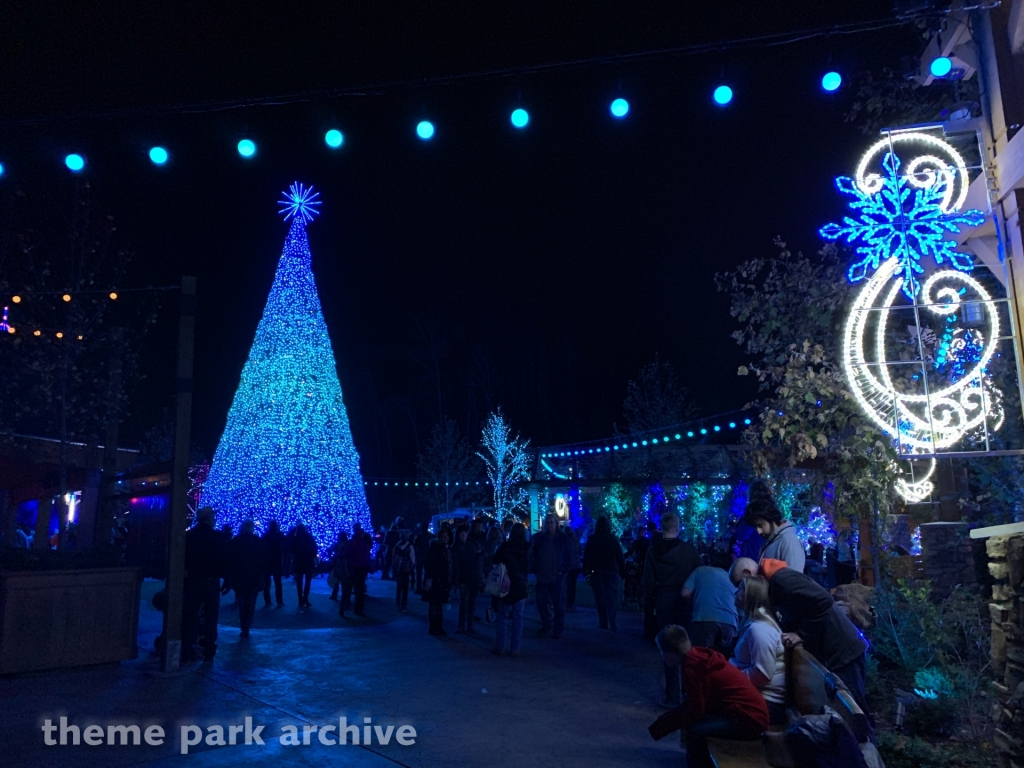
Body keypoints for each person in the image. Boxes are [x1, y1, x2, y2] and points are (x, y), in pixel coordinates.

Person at [730, 557, 871, 723]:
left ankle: (868, 746)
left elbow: (823, 600)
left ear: (748, 575)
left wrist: (801, 634)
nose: (738, 592)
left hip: (842, 650)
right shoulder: (775, 582)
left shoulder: (781, 580)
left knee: (855, 713)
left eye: (740, 585)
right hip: (835, 650)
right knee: (852, 709)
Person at [648, 625, 769, 768]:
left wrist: (664, 724)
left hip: (748, 721)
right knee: (694, 723)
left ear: (669, 654)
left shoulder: (692, 669)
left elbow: (696, 712)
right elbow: (694, 703)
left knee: (694, 730)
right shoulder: (699, 656)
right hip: (751, 714)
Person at [643, 511, 701, 707]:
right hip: (684, 600)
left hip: (664, 601)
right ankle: (690, 692)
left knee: (668, 647)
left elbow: (648, 581)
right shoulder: (689, 551)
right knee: (686, 646)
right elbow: (699, 573)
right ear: (677, 527)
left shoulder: (653, 551)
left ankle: (672, 694)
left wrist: (648, 604)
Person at [730, 575, 787, 725]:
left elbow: (762, 674)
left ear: (750, 595)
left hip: (766, 703)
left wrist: (730, 676)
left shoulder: (760, 629)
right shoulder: (752, 621)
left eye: (741, 589)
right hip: (758, 696)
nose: (736, 592)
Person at [182, 507, 229, 662]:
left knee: (190, 615)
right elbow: (223, 560)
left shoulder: (189, 536)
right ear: (208, 519)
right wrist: (226, 579)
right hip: (211, 581)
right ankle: (209, 648)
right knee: (211, 616)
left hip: (192, 581)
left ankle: (187, 647)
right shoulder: (217, 537)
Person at [681, 551, 739, 653]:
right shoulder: (733, 578)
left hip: (703, 619)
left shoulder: (700, 571)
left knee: (701, 657)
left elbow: (684, 593)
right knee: (722, 661)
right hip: (730, 622)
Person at [743, 480, 805, 574]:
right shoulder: (769, 540)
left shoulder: (789, 542)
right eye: (755, 527)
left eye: (760, 525)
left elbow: (795, 582)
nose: (759, 531)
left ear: (771, 519)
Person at [529, 512, 571, 639]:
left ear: (556, 524)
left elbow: (569, 556)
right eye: (547, 523)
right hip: (542, 575)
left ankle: (557, 628)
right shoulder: (539, 538)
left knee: (558, 604)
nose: (549, 525)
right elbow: (533, 554)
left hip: (557, 576)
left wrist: (563, 570)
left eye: (551, 522)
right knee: (541, 602)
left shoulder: (563, 539)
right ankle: (547, 625)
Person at [491, 522, 530, 656]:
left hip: (506, 583)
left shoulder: (506, 547)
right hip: (521, 584)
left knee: (502, 615)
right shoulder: (526, 548)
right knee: (518, 617)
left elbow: (494, 559)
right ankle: (515, 648)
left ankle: (500, 646)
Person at [582, 515, 626, 631]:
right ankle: (612, 621)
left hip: (598, 572)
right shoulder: (613, 539)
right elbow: (620, 557)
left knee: (600, 599)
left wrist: (586, 571)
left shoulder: (593, 539)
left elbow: (587, 556)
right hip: (612, 572)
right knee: (611, 599)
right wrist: (623, 572)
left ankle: (603, 622)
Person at [228, 520, 266, 638]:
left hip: (239, 576)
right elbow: (263, 561)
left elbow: (231, 559)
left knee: (241, 600)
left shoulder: (236, 541)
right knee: (251, 601)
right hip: (253, 577)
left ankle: (243, 622)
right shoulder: (258, 541)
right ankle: (247, 624)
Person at [453, 524, 483, 635]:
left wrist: (479, 575)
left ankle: (470, 625)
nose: (463, 536)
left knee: (472, 603)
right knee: (464, 603)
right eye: (461, 534)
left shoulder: (473, 544)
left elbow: (480, 557)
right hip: (463, 578)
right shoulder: (456, 547)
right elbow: (456, 565)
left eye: (465, 533)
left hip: (473, 577)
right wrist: (456, 581)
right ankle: (461, 625)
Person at [424, 528, 453, 637]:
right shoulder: (435, 548)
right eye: (443, 536)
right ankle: (434, 627)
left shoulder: (445, 549)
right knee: (434, 605)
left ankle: (438, 627)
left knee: (439, 605)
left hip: (442, 581)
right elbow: (429, 565)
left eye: (447, 536)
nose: (446, 538)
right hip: (436, 581)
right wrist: (430, 580)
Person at [344, 524, 372, 618]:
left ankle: (345, 606)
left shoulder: (351, 543)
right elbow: (367, 556)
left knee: (348, 588)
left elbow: (345, 554)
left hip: (352, 568)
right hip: (361, 568)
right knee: (359, 590)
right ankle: (358, 609)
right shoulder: (364, 543)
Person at [291, 523, 318, 608]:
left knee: (299, 582)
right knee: (308, 581)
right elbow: (315, 547)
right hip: (308, 562)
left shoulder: (295, 538)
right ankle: (305, 598)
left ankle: (300, 599)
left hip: (298, 562)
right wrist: (313, 555)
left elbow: (291, 549)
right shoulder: (308, 537)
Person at [262, 520, 285, 607]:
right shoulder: (278, 534)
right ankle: (279, 601)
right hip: (277, 561)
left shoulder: (266, 535)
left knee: (267, 582)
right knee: (278, 582)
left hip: (267, 561)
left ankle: (267, 601)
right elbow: (285, 540)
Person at [392, 530, 416, 612]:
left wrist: (394, 568)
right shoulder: (410, 546)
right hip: (406, 569)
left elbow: (393, 557)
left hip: (398, 568)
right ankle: (403, 604)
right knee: (405, 588)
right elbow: (412, 559)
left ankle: (398, 601)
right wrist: (410, 567)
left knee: (399, 586)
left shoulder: (396, 546)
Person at [563, 525, 583, 610]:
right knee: (573, 585)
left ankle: (568, 602)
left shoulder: (565, 541)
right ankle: (571, 602)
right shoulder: (575, 540)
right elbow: (579, 551)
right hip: (576, 566)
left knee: (568, 584)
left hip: (569, 565)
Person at [413, 524, 431, 593]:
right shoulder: (431, 536)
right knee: (427, 573)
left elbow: (415, 545)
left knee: (419, 573)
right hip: (428, 556)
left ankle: (419, 588)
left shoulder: (419, 536)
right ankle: (426, 588)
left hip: (420, 556)